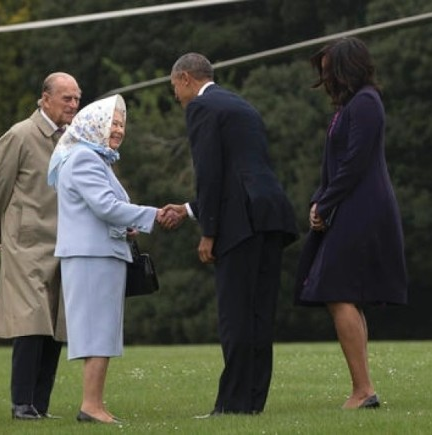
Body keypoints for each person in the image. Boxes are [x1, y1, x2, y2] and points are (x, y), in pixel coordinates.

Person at [162, 53, 298, 416]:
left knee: (235, 314)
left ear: (187, 78)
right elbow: (239, 172)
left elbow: (210, 173)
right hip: (270, 215)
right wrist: (190, 209)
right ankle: (252, 401)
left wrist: (209, 232)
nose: (176, 96)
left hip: (241, 224)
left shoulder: (202, 107)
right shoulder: (241, 105)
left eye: (174, 86)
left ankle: (233, 405)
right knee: (259, 314)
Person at [294, 37, 408, 409]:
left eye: (329, 70)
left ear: (347, 68)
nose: (325, 78)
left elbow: (355, 162)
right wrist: (318, 199)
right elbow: (336, 164)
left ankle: (363, 390)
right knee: (341, 293)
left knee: (338, 290)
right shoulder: (350, 107)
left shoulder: (365, 104)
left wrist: (325, 204)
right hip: (348, 206)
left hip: (362, 209)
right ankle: (364, 389)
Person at [48, 94, 164, 424]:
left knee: (103, 330)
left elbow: (100, 210)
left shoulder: (95, 159)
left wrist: (128, 225)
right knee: (97, 330)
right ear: (93, 124)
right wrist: (153, 215)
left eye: (121, 124)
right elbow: (105, 207)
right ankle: (90, 406)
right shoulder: (85, 159)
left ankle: (95, 404)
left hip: (100, 254)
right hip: (91, 257)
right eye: (112, 123)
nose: (118, 129)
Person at [0, 72, 81, 420]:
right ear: (45, 98)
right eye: (66, 98)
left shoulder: (73, 140)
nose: (73, 105)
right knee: (30, 324)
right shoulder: (19, 136)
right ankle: (22, 405)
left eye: (76, 99)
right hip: (26, 246)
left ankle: (40, 405)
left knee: (54, 327)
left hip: (63, 244)